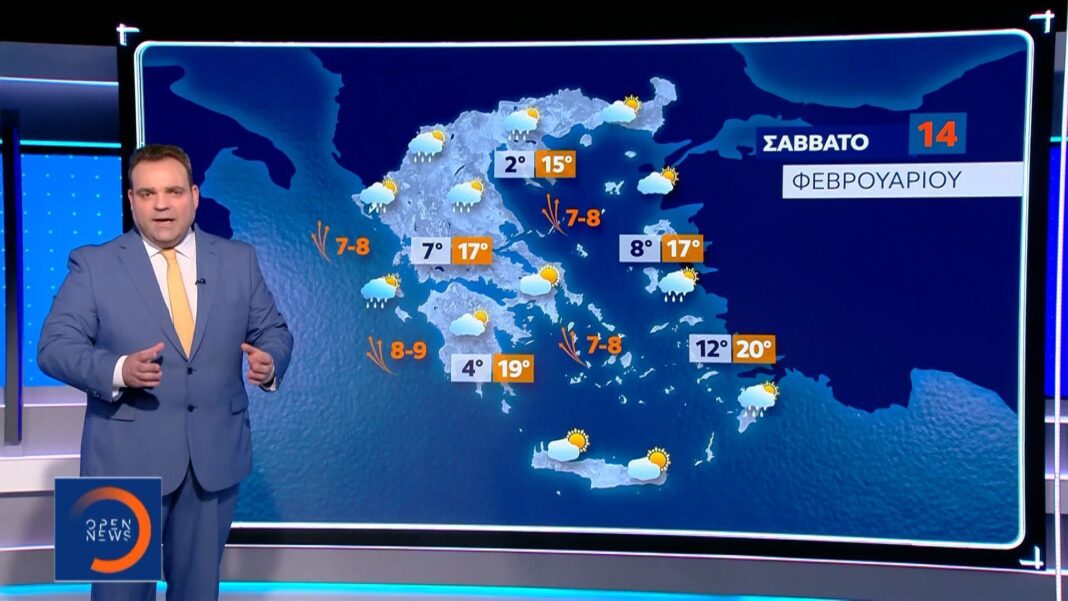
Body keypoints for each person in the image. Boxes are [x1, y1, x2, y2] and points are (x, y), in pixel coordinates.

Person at [38, 143, 294, 600]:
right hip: (120, 465)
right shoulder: (93, 263)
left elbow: (273, 330)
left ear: (194, 196)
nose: (161, 204)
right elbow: (53, 347)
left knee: (197, 592)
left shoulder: (239, 260)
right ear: (131, 200)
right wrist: (119, 369)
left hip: (212, 461)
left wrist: (270, 360)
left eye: (173, 191)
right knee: (116, 594)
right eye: (148, 193)